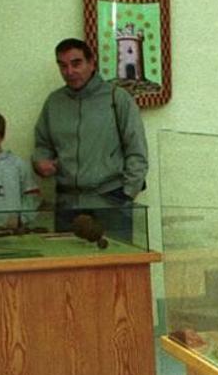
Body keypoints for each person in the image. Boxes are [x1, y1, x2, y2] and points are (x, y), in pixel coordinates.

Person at [33, 38, 148, 242]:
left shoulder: (117, 98)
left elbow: (137, 151)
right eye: (63, 65)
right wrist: (40, 162)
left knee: (117, 270)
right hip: (68, 206)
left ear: (92, 63)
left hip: (111, 204)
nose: (69, 71)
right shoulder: (54, 102)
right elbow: (42, 145)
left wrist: (127, 194)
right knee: (69, 271)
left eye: (76, 63)